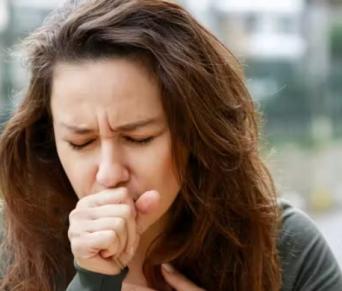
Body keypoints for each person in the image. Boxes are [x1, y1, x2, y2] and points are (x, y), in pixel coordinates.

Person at [0, 0, 341, 290]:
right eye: (80, 142)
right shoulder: (12, 249)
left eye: (139, 138)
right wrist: (92, 282)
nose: (109, 173)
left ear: (193, 133)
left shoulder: (285, 247)